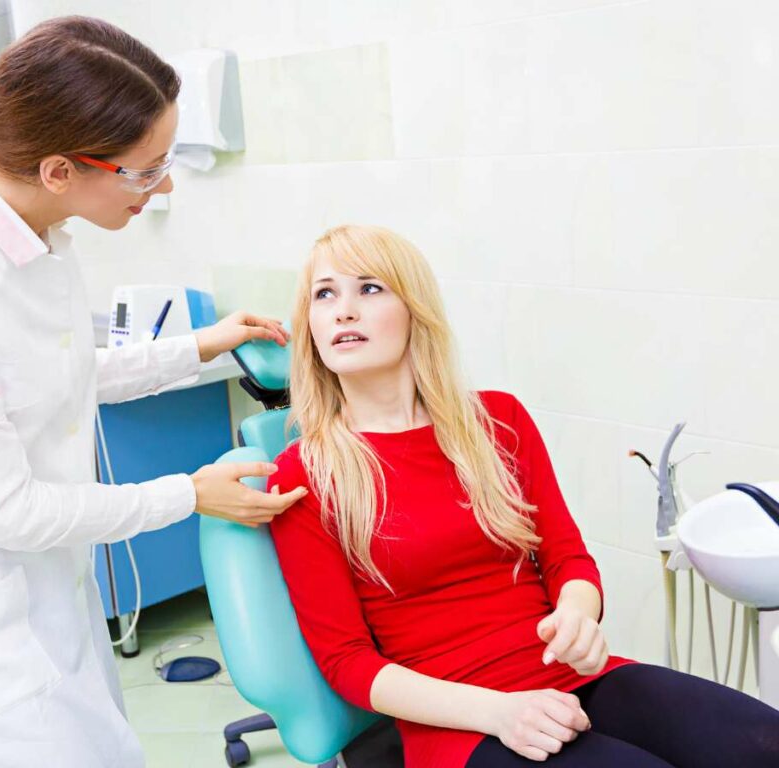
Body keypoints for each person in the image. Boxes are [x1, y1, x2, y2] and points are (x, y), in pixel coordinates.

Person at [0, 17, 306, 768]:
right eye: (145, 169)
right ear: (60, 168)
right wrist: (190, 494)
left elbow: (62, 373)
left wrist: (201, 344)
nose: (162, 185)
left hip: (49, 584)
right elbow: (12, 511)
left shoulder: (36, 227)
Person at [269, 224, 779, 767]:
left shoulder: (498, 422)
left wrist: (578, 616)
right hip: (464, 725)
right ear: (311, 328)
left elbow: (568, 559)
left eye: (369, 288)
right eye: (324, 294)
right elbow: (348, 663)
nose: (343, 310)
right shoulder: (304, 473)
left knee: (762, 743)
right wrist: (499, 712)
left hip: (571, 677)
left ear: (415, 311)